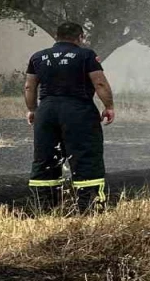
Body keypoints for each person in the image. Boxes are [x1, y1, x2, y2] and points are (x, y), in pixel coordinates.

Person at [24, 22, 115, 212]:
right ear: (80, 37)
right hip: (78, 111)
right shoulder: (86, 55)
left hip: (47, 111)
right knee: (86, 156)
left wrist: (33, 110)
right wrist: (109, 106)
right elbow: (100, 83)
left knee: (45, 158)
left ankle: (44, 207)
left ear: (57, 36)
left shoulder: (38, 57)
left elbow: (29, 87)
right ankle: (89, 207)